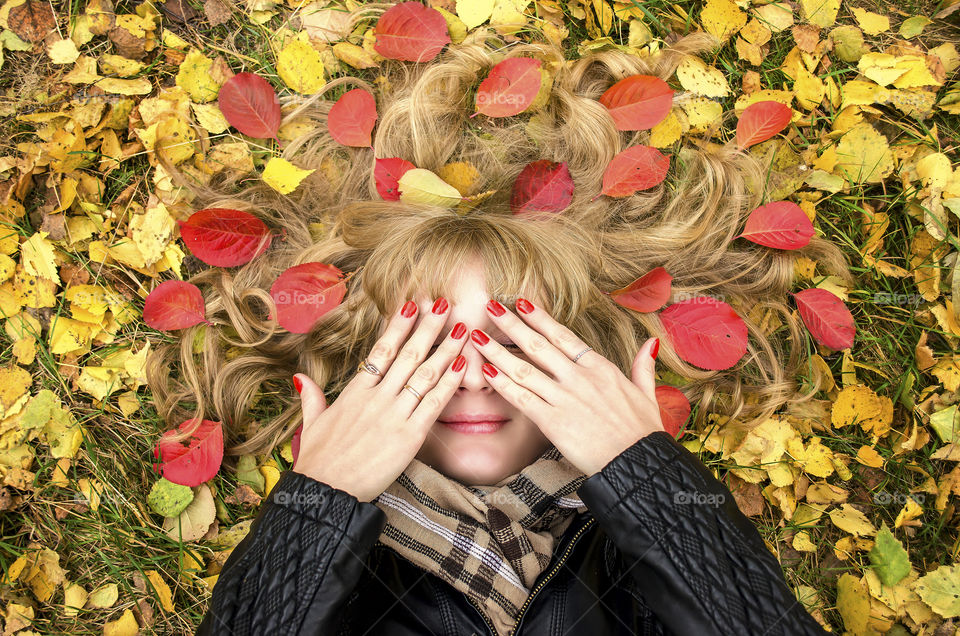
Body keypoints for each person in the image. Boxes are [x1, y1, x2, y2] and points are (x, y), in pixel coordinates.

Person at [146, 8, 849, 635]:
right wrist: (318, 508)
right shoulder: (345, 571)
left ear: (586, 363)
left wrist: (646, 479)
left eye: (514, 342)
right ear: (371, 368)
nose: (477, 379)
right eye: (434, 343)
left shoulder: (639, 556)